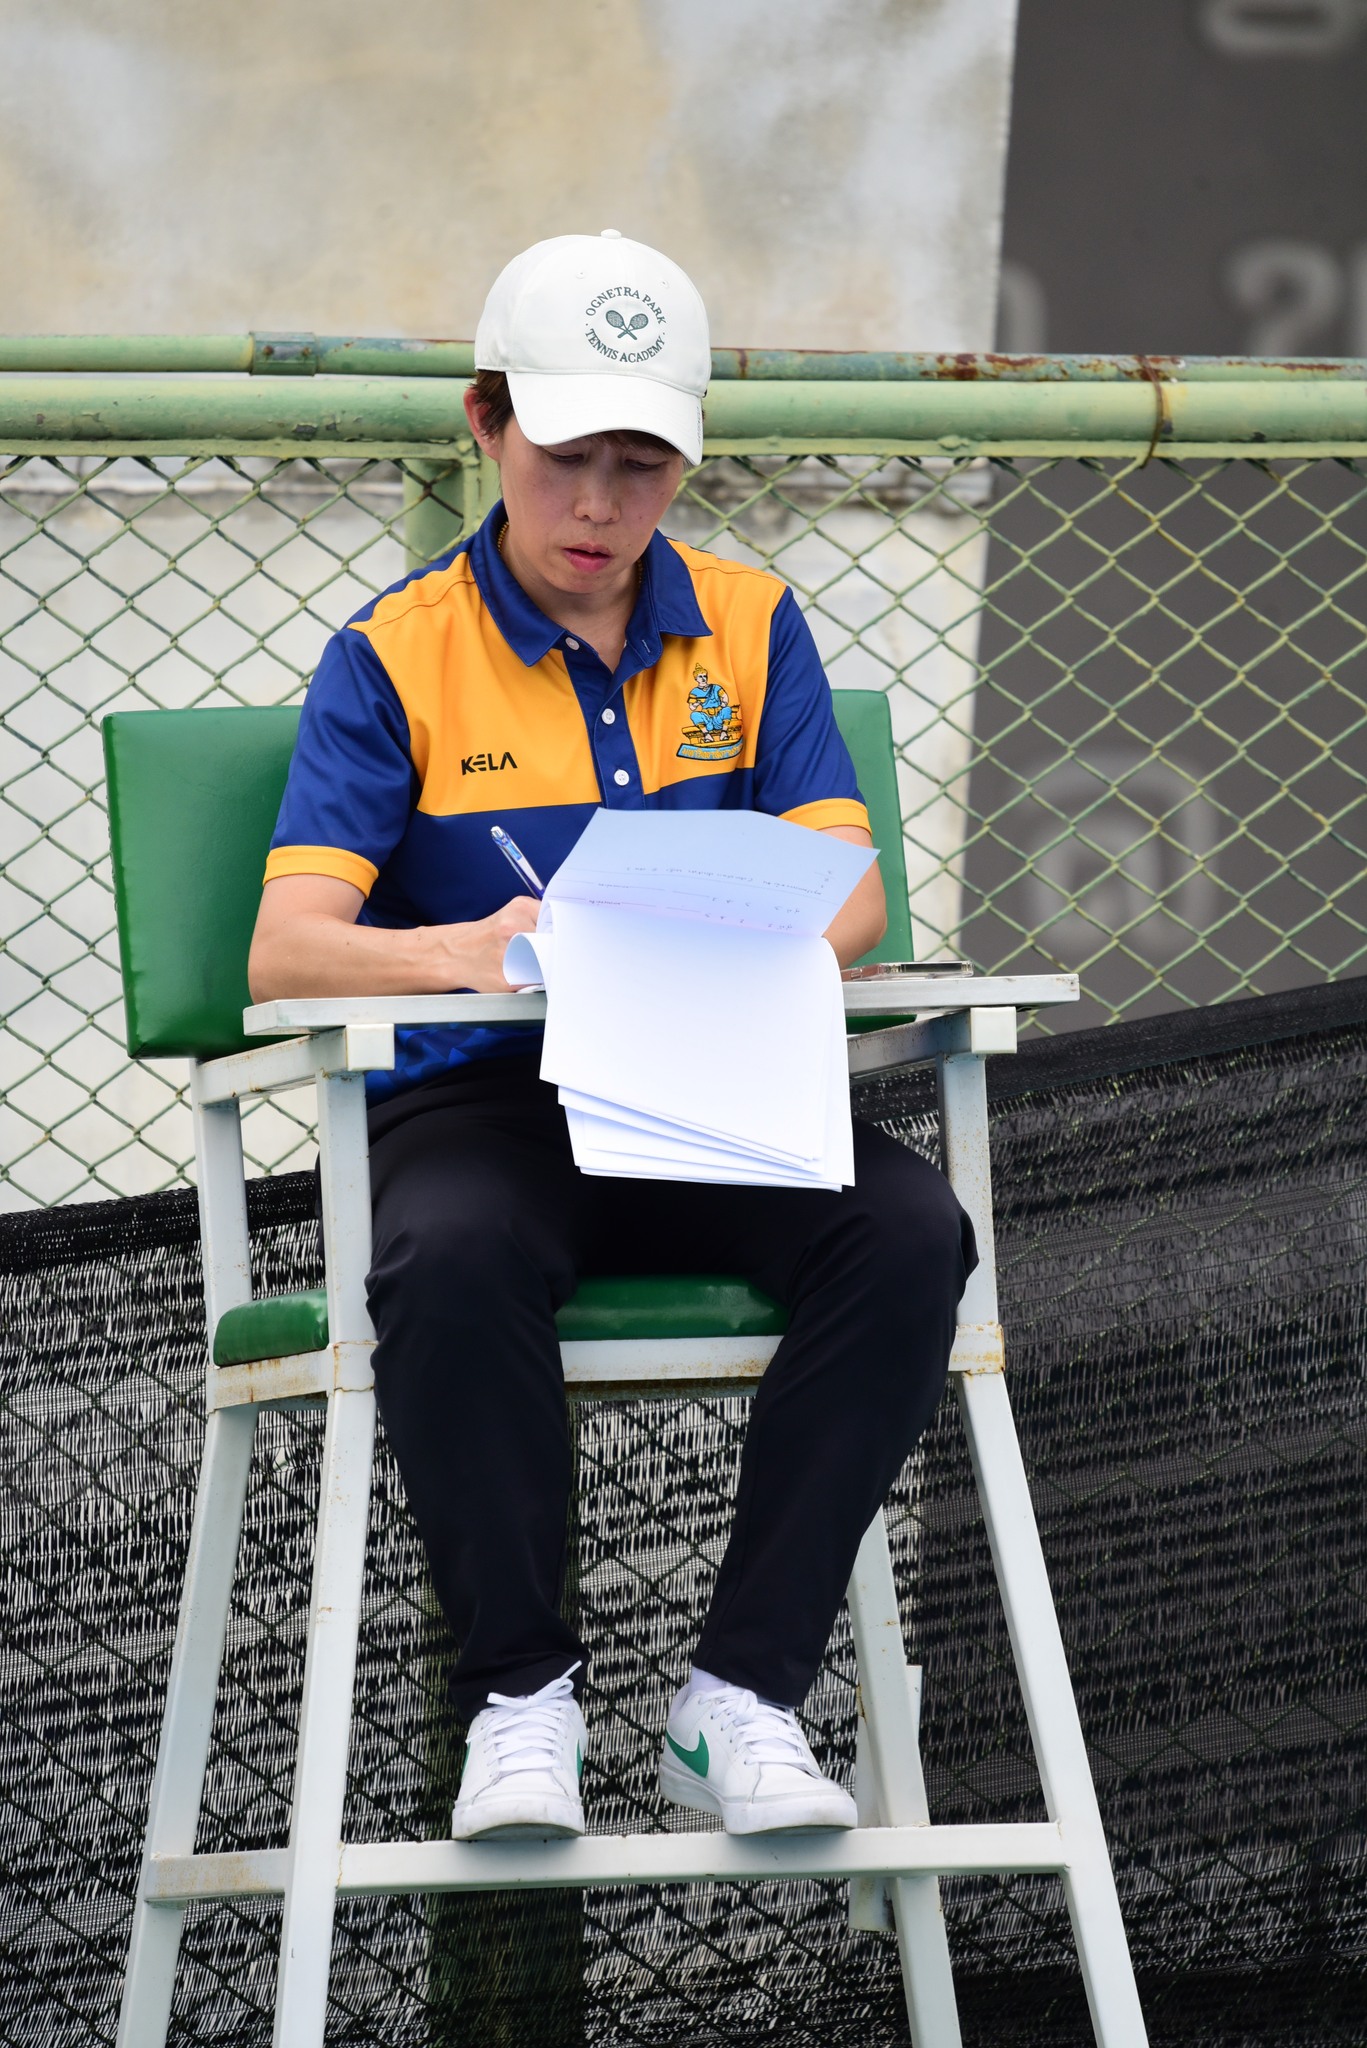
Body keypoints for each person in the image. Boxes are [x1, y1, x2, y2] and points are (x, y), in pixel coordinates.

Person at [248, 230, 977, 1842]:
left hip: (705, 1089)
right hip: (484, 1108)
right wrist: (466, 950)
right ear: (487, 422)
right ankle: (523, 1705)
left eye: (642, 465)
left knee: (911, 1229)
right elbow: (287, 948)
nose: (599, 505)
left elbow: (855, 904)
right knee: (445, 1255)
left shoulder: (754, 621)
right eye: (567, 455)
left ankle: (741, 1701)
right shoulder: (391, 652)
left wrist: (675, 947)